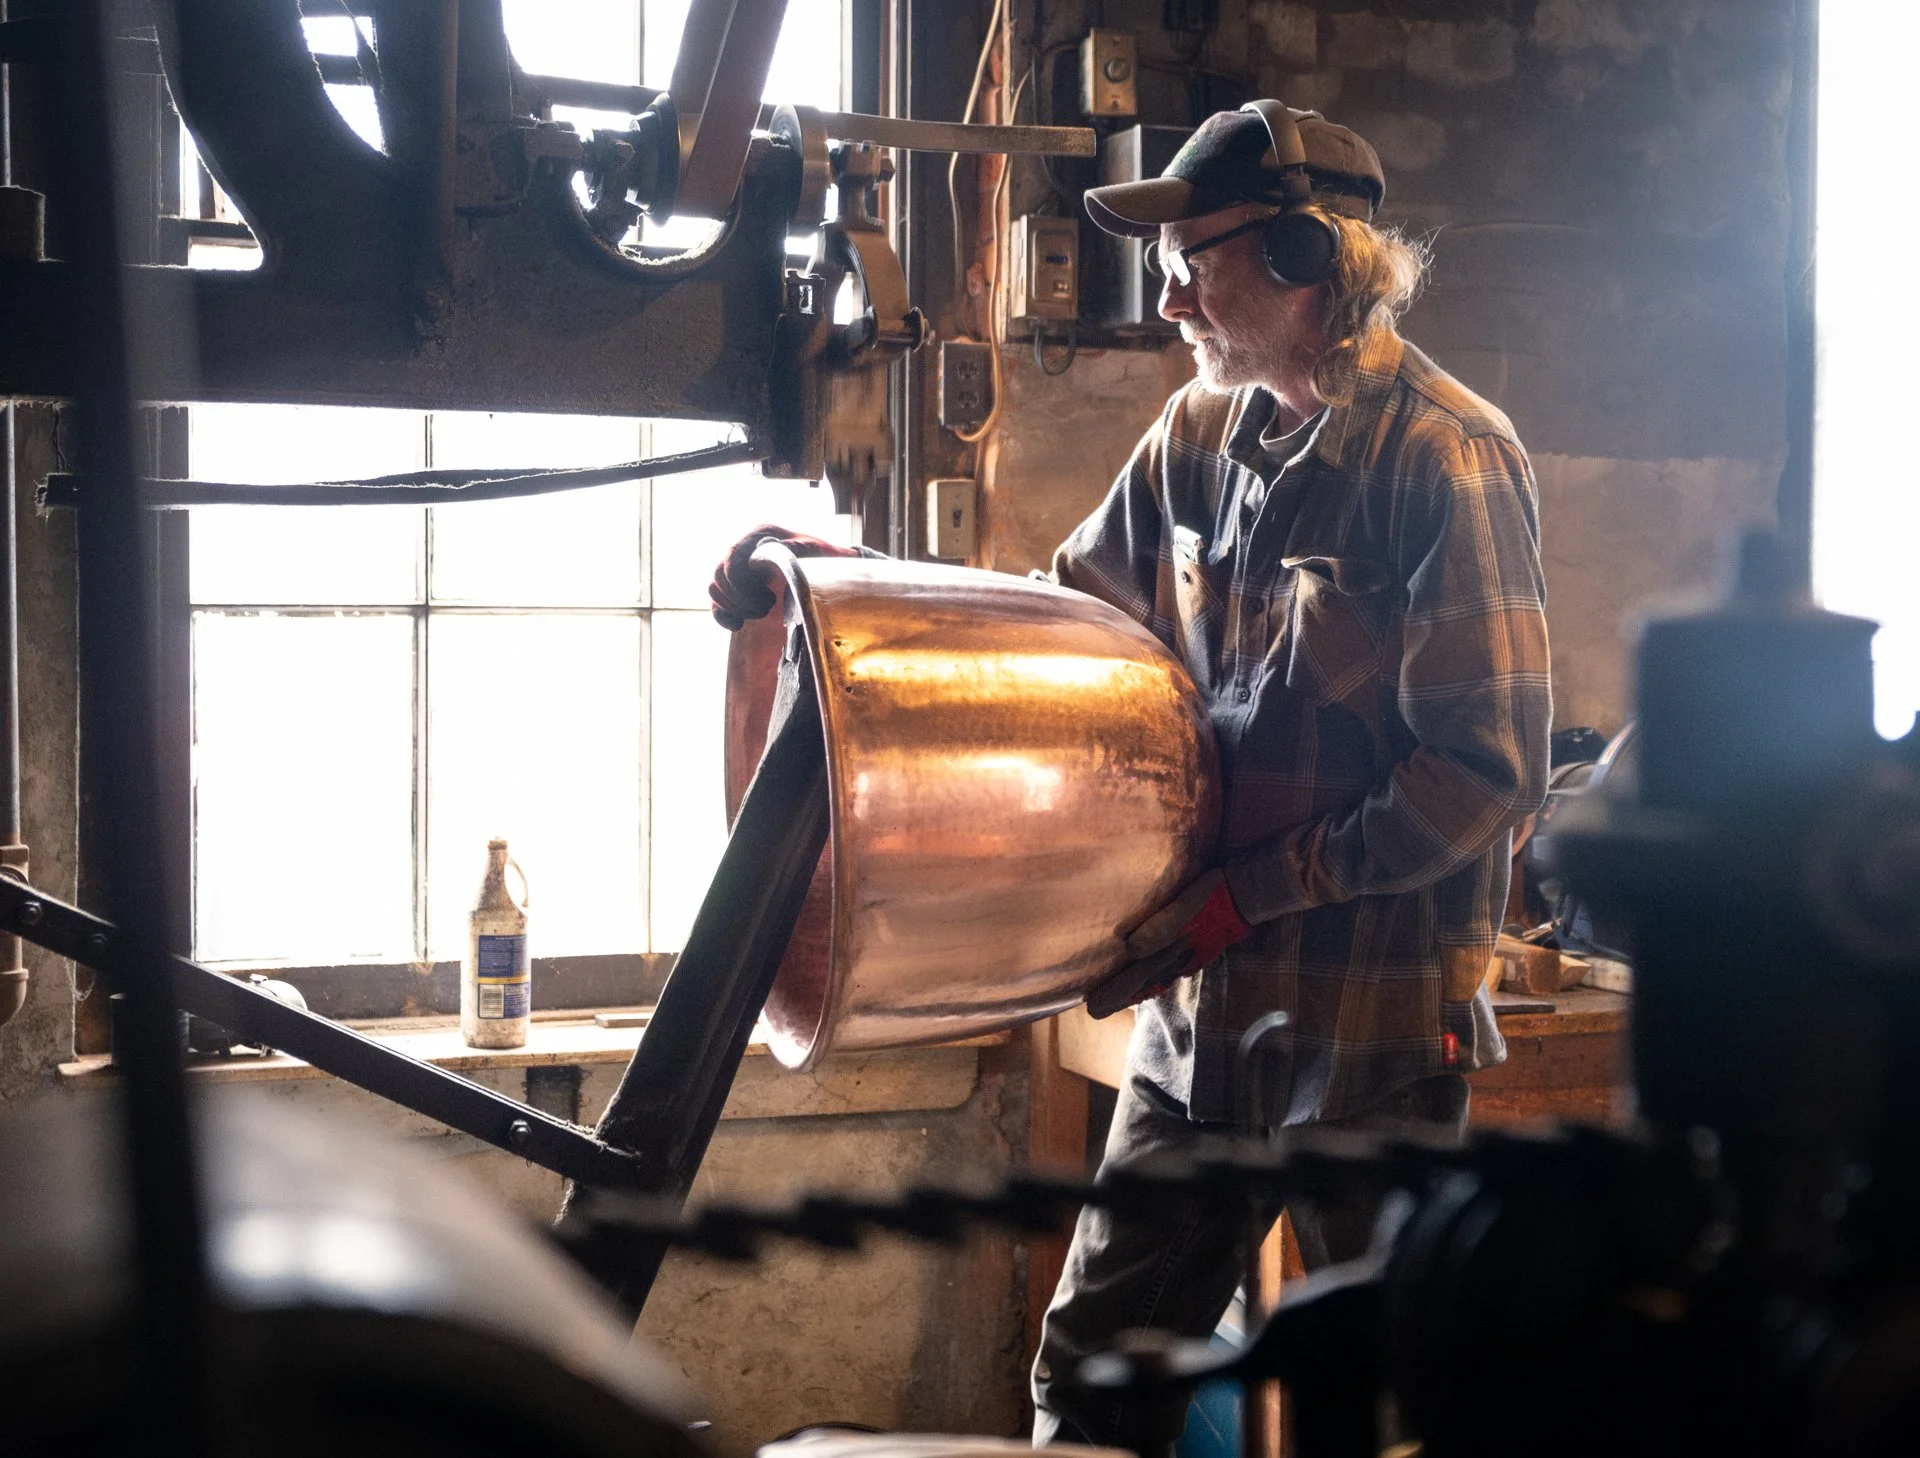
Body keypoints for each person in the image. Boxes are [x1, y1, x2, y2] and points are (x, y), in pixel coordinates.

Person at [707, 100, 1550, 1455]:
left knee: (1368, 1401)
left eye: (1193, 258)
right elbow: (1048, 628)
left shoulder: (1442, 459)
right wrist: (829, 575)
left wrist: (1252, 894)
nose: (1167, 298)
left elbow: (1485, 772)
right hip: (1202, 1033)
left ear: (1301, 256)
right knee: (1094, 1373)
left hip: (1370, 1040)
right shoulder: (1195, 440)